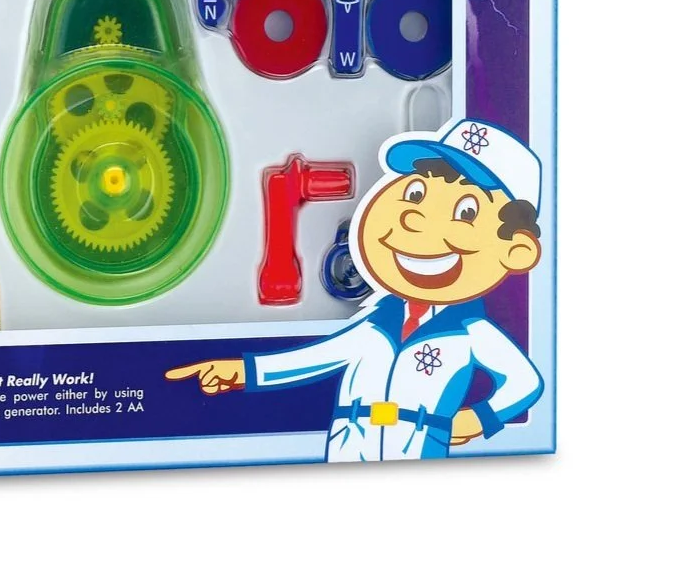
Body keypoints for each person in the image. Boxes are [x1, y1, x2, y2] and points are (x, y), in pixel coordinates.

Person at [167, 118, 544, 461]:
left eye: (466, 212)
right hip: (348, 444)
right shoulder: (379, 320)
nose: (414, 218)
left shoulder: (470, 332)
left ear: (516, 251)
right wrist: (243, 371)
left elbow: (525, 382)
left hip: (417, 448)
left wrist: (479, 419)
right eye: (415, 193)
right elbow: (316, 358)